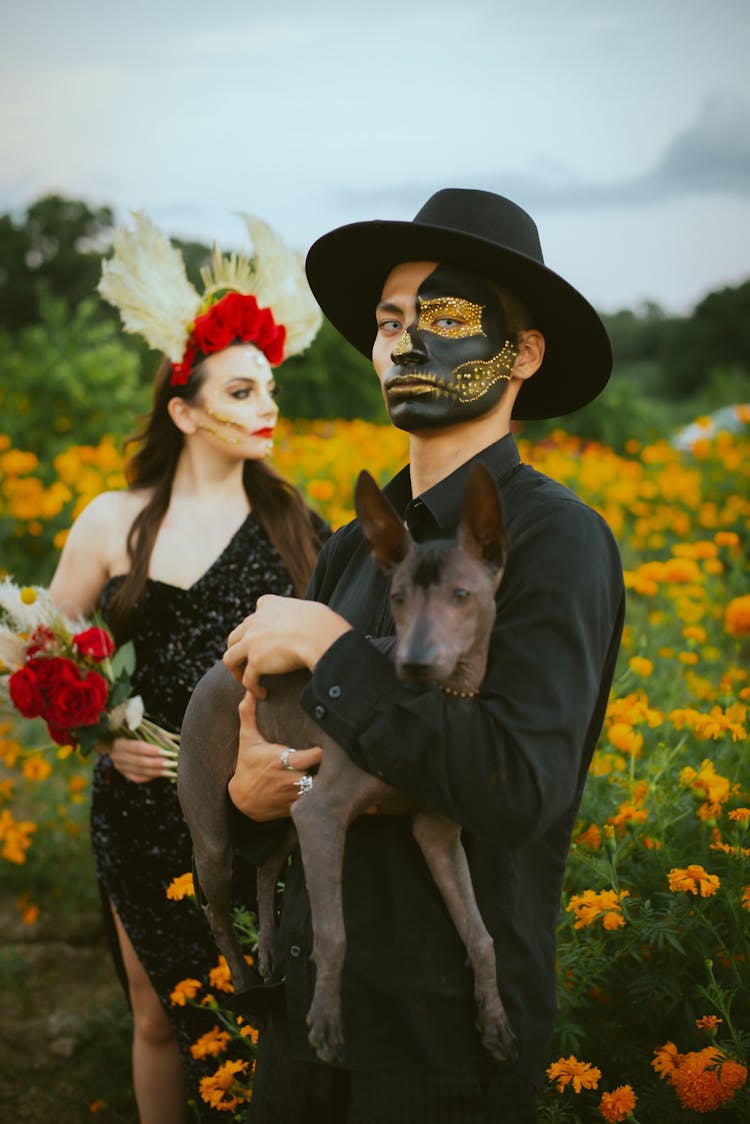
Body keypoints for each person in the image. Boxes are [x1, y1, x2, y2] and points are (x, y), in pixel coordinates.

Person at [223, 189, 626, 1124]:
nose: (402, 344)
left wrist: (332, 650)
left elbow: (518, 788)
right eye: (387, 322)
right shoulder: (349, 552)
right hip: (308, 1023)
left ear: (523, 354)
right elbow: (305, 773)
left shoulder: (556, 542)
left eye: (442, 318)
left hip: (443, 1042)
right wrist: (249, 802)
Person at [49, 212, 327, 1123]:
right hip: (138, 806)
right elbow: (39, 662)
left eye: (269, 389)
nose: (266, 408)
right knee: (161, 1015)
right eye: (242, 391)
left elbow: (334, 664)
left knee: (263, 1011)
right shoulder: (109, 521)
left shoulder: (296, 524)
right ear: (183, 409)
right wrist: (100, 734)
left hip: (258, 802)